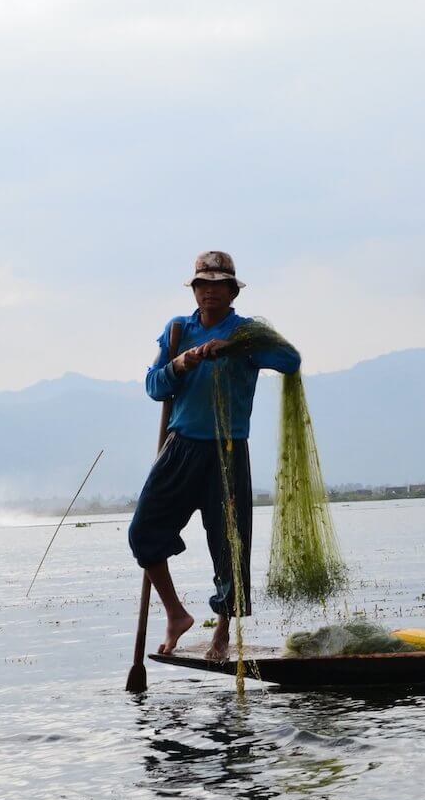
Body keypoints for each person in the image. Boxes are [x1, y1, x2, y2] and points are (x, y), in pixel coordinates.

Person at [128, 251, 300, 661]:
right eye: (203, 284)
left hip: (227, 451)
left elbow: (290, 361)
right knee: (143, 532)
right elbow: (154, 387)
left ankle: (223, 629)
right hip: (182, 447)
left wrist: (235, 347)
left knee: (230, 546)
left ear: (231, 290)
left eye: (218, 285)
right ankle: (176, 614)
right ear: (195, 289)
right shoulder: (176, 331)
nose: (210, 292)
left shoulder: (246, 334)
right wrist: (181, 363)